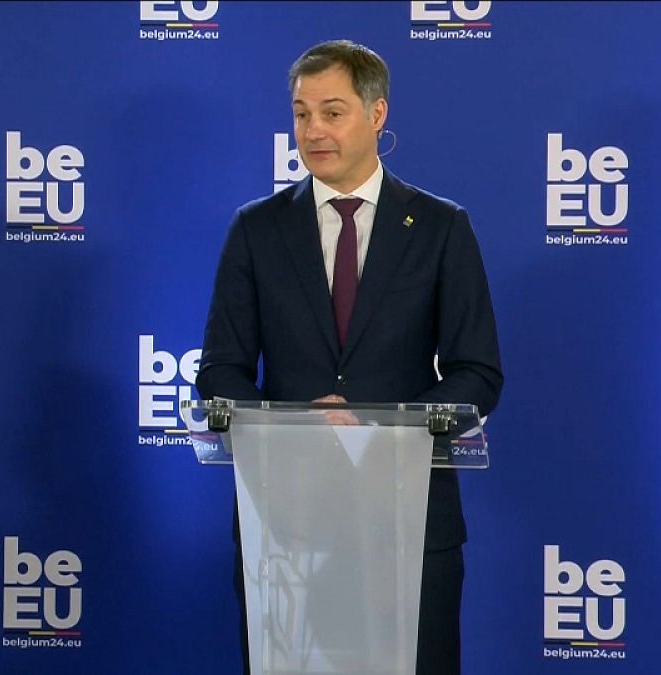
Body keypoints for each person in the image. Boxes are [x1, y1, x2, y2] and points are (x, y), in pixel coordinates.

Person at [196, 40, 503, 675]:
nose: (313, 130)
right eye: (301, 114)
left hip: (408, 518)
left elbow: (478, 374)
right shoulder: (256, 229)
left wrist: (380, 423)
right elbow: (221, 371)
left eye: (332, 112)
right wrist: (298, 430)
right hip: (288, 528)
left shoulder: (441, 227)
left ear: (377, 114)